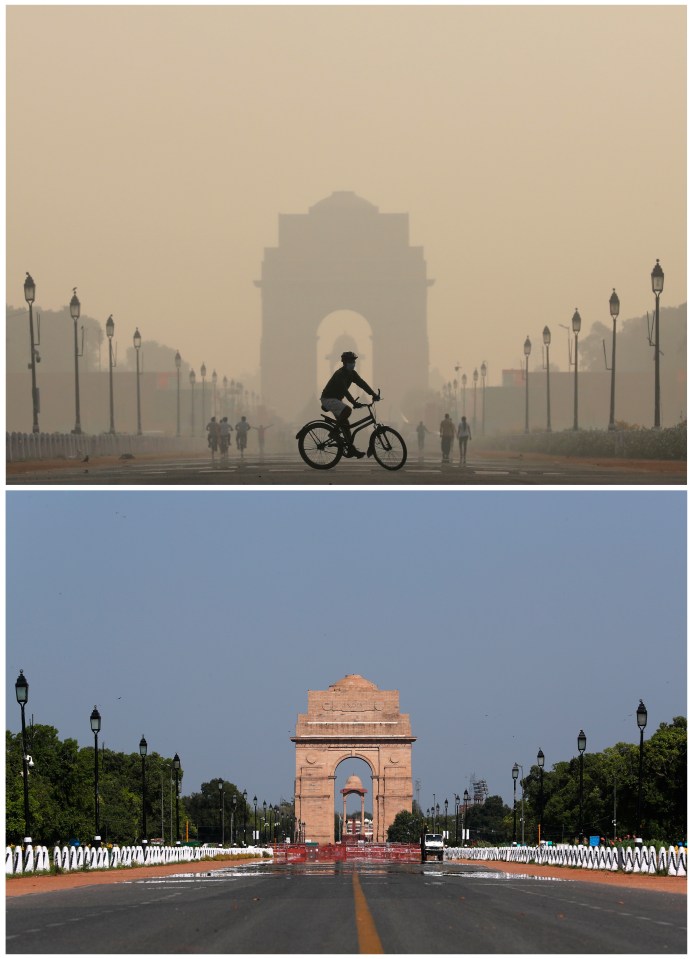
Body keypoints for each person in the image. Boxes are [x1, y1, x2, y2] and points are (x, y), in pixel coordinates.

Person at [320, 351, 378, 458]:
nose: (353, 363)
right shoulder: (339, 374)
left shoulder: (352, 374)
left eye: (354, 361)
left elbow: (362, 384)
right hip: (328, 399)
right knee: (347, 410)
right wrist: (354, 403)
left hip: (336, 400)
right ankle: (334, 432)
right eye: (350, 361)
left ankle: (351, 450)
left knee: (346, 426)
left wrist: (373, 394)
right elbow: (345, 391)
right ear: (344, 362)